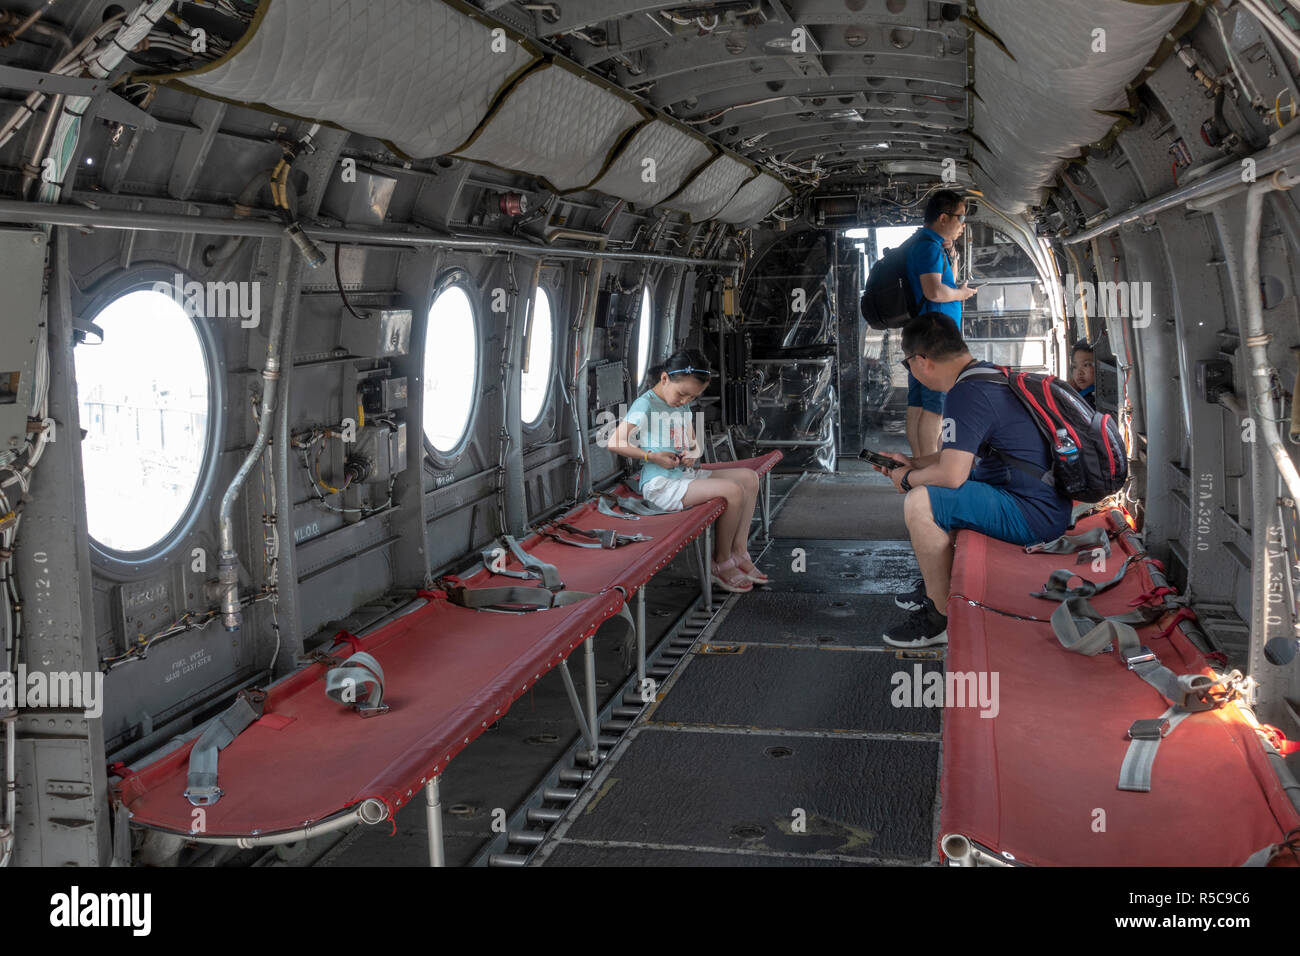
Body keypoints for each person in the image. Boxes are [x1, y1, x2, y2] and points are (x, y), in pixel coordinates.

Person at [874, 313, 1073, 648]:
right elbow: (956, 456)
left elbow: (952, 475)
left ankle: (941, 619)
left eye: (907, 364)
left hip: (1032, 514)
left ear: (921, 361)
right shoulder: (986, 377)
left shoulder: (965, 394)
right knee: (934, 489)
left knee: (920, 502)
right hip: (1042, 504)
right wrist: (912, 463)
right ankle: (937, 585)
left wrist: (907, 479)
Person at [606, 348, 766, 594]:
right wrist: (651, 456)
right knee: (733, 491)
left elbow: (694, 444)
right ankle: (721, 562)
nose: (685, 401)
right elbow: (614, 442)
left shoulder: (682, 406)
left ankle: (739, 552)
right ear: (664, 378)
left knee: (749, 478)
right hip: (661, 485)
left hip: (683, 475)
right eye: (682, 394)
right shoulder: (645, 404)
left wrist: (691, 454)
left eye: (692, 397)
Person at [903, 189, 978, 458]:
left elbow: (944, 281)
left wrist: (952, 255)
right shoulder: (928, 247)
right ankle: (929, 466)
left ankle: (918, 463)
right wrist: (962, 294)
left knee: (918, 404)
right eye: (960, 217)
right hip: (936, 339)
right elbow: (934, 291)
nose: (962, 225)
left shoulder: (927, 245)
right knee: (935, 406)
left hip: (925, 335)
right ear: (943, 218)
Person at [1070, 341, 1096, 408]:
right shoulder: (1074, 394)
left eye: (1086, 365)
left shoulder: (1091, 402)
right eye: (1075, 366)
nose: (1079, 372)